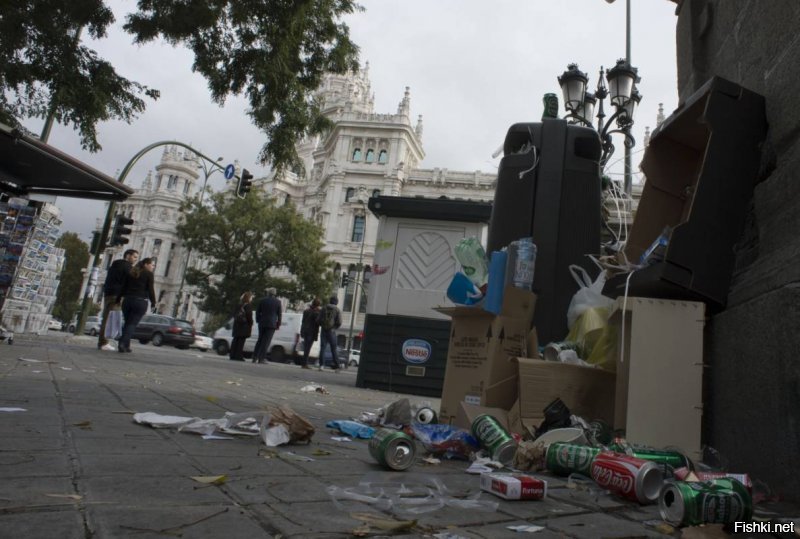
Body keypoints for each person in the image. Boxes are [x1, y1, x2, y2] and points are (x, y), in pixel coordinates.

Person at [97, 249, 139, 350]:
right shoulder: (128, 267)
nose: (135, 260)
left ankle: (103, 342)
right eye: (134, 257)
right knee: (110, 319)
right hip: (117, 295)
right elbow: (134, 279)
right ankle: (103, 343)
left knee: (107, 317)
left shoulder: (114, 265)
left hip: (108, 293)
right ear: (128, 256)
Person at [116, 258, 156, 353]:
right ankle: (122, 343)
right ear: (146, 264)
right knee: (132, 324)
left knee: (127, 323)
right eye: (152, 265)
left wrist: (118, 298)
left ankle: (126, 345)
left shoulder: (131, 272)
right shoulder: (148, 274)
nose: (153, 267)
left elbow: (124, 287)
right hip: (140, 301)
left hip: (127, 300)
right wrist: (153, 302)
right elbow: (150, 289)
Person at [253, 287, 281, 364]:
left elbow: (257, 312)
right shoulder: (278, 302)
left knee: (260, 340)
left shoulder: (262, 300)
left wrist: (258, 320)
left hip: (262, 322)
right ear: (275, 294)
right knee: (266, 341)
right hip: (272, 324)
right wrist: (278, 324)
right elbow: (279, 314)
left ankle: (254, 357)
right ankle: (261, 358)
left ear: (268, 293)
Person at [316, 296, 342, 371]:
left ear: (330, 301)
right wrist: (334, 328)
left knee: (323, 348)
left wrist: (323, 325)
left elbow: (318, 320)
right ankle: (337, 366)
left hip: (324, 330)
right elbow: (339, 322)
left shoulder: (324, 308)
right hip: (332, 331)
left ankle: (321, 365)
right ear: (336, 302)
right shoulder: (337, 310)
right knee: (333, 349)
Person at [230, 291, 254, 361]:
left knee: (235, 340)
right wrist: (251, 323)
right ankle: (238, 355)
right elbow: (249, 316)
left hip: (237, 325)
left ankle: (232, 355)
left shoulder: (238, 305)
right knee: (241, 341)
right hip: (244, 326)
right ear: (249, 298)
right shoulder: (248, 306)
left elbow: (234, 314)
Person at [299, 298, 321, 369]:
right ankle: (304, 364)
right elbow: (318, 322)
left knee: (306, 347)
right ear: (318, 305)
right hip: (311, 332)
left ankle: (304, 363)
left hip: (305, 330)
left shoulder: (306, 311)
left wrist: (301, 331)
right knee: (308, 348)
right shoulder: (317, 313)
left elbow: (303, 322)